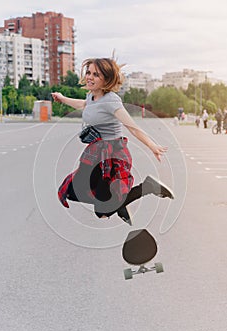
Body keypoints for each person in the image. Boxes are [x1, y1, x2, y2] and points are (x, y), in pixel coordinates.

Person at [52, 57, 174, 225]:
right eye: (89, 72)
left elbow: (131, 126)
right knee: (73, 192)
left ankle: (147, 187)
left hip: (111, 157)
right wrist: (63, 98)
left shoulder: (111, 100)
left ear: (106, 80)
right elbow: (84, 105)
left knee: (102, 211)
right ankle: (120, 204)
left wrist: (152, 145)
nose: (90, 77)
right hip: (94, 155)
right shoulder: (91, 96)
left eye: (96, 75)